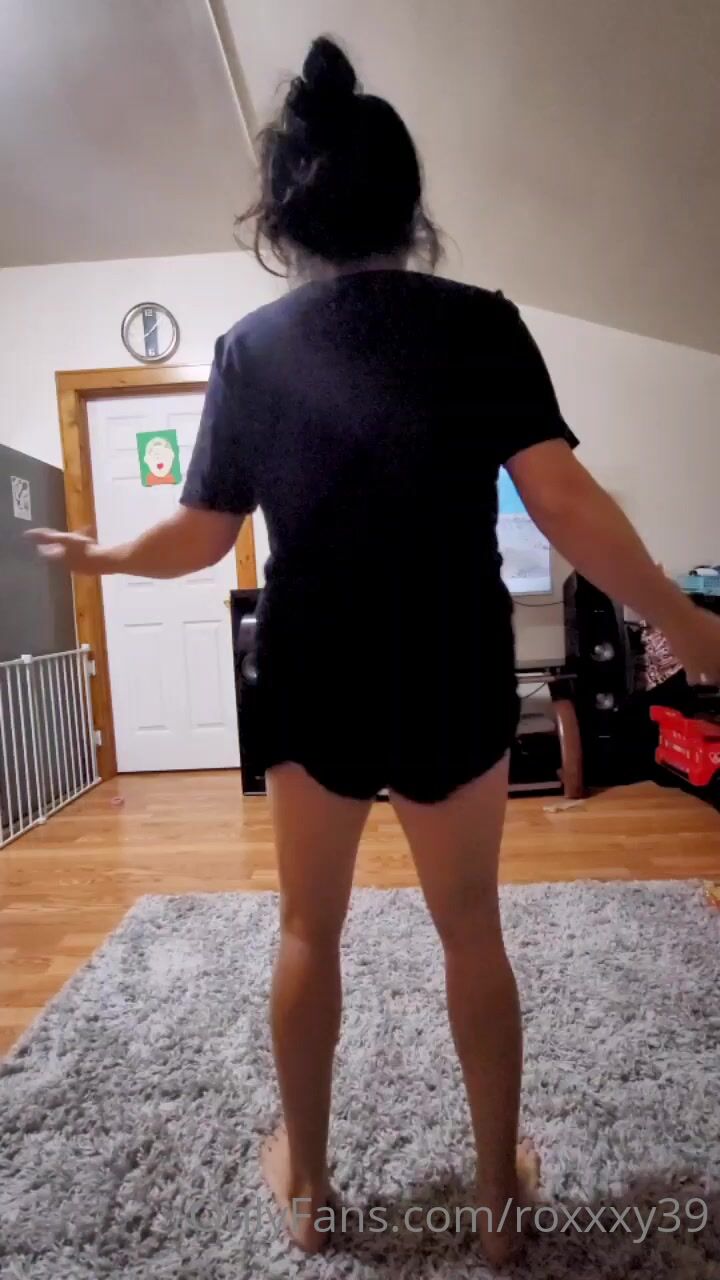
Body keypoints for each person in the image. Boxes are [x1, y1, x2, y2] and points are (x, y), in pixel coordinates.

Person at [29, 36, 720, 1267]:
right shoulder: (483, 325)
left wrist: (107, 556)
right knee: (472, 929)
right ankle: (500, 1207)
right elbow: (563, 500)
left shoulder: (249, 349)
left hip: (315, 670)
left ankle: (311, 1191)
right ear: (410, 208)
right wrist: (685, 615)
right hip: (452, 659)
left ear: (285, 218)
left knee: (310, 930)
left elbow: (201, 533)